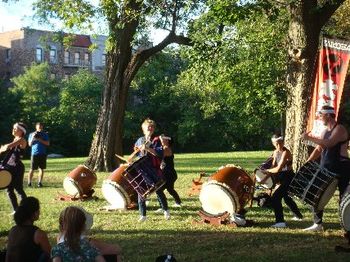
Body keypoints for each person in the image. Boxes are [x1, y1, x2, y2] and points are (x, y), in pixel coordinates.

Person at [302, 105, 350, 232]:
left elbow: (330, 143)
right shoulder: (324, 131)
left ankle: (346, 224)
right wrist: (308, 161)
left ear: (328, 115)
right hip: (326, 167)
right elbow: (319, 149)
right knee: (316, 193)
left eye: (321, 114)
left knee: (344, 197)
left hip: (341, 167)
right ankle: (317, 224)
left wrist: (309, 138)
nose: (319, 117)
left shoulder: (339, 129)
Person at [261, 134, 303, 228]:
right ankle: (298, 216)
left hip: (289, 177)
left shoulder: (286, 152)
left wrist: (267, 171)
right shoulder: (275, 152)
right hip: (281, 177)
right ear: (273, 144)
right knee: (287, 198)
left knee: (276, 198)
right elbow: (273, 167)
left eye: (280, 142)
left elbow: (278, 168)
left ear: (283, 142)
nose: (279, 145)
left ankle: (280, 222)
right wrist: (264, 178)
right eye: (276, 143)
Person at [133, 118, 170, 222]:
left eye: (152, 126)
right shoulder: (140, 140)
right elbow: (136, 152)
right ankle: (143, 215)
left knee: (158, 190)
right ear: (143, 128)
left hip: (153, 168)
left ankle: (166, 210)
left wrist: (148, 148)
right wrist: (137, 150)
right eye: (148, 126)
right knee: (141, 191)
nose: (150, 128)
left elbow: (159, 153)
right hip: (142, 168)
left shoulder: (156, 140)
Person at [6, 196, 51, 262]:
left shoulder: (12, 230)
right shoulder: (38, 234)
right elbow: (50, 254)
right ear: (34, 213)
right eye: (38, 209)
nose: (39, 212)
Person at [0, 122, 27, 213]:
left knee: (18, 189)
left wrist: (3, 148)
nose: (13, 129)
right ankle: (16, 209)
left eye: (15, 128)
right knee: (9, 189)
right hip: (9, 167)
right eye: (13, 128)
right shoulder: (15, 139)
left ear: (21, 131)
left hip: (18, 168)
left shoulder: (21, 140)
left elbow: (8, 146)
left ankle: (26, 208)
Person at [159, 135, 182, 208]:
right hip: (168, 173)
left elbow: (157, 154)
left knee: (159, 190)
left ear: (167, 141)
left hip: (169, 174)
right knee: (170, 189)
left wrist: (147, 148)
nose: (161, 140)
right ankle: (178, 202)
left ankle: (163, 206)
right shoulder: (164, 148)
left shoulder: (166, 149)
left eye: (163, 139)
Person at [27, 122, 50, 188]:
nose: (40, 127)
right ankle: (29, 183)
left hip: (42, 153)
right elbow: (29, 144)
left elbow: (47, 143)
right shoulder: (31, 134)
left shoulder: (45, 134)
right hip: (34, 153)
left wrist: (39, 139)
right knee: (32, 169)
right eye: (38, 126)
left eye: (41, 126)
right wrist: (33, 138)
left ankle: (39, 183)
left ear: (42, 127)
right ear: (36, 127)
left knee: (41, 169)